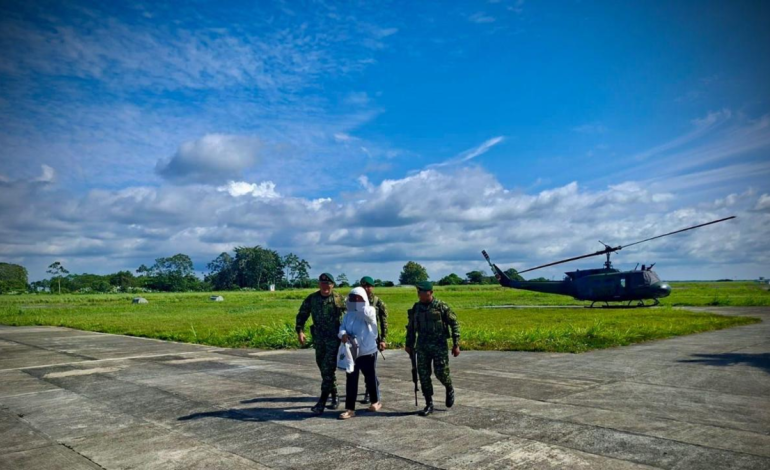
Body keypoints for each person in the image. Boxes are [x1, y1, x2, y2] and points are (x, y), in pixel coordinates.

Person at [405, 281, 460, 416]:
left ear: (430, 292)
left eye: (422, 292)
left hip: (439, 346)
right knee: (423, 375)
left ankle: (449, 387)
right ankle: (429, 403)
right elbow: (411, 327)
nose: (419, 294)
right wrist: (409, 344)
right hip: (422, 346)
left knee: (441, 373)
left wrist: (456, 344)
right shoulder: (416, 308)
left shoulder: (441, 306)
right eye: (418, 292)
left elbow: (454, 324)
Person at [295, 273, 346, 414]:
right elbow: (302, 314)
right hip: (319, 340)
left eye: (328, 284)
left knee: (328, 368)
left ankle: (322, 402)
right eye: (323, 284)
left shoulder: (339, 299)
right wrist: (300, 331)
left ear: (332, 285)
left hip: (334, 340)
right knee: (323, 367)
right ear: (319, 285)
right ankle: (335, 394)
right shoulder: (312, 299)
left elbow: (349, 317)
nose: (325, 287)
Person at [338, 286, 382, 419]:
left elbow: (367, 315)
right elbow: (342, 328)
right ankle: (350, 409)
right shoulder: (348, 315)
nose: (355, 301)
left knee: (370, 378)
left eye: (358, 298)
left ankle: (375, 401)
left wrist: (361, 304)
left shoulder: (370, 311)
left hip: (368, 351)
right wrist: (343, 335)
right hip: (352, 352)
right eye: (353, 298)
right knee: (351, 379)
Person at [359, 276, 388, 404]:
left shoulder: (377, 302)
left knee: (370, 368)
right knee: (361, 368)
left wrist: (383, 339)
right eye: (363, 286)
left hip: (372, 340)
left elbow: (383, 322)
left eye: (368, 286)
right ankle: (373, 384)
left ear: (372, 287)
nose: (366, 288)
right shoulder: (356, 301)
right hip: (359, 340)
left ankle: (369, 392)